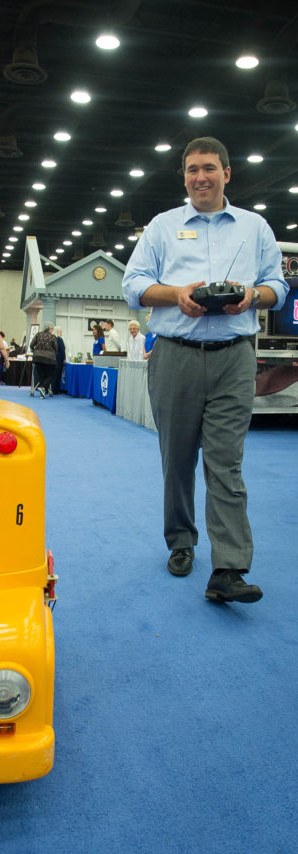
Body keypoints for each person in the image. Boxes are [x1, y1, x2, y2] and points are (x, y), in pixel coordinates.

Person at [122, 135, 289, 604]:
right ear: (184, 176)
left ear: (227, 173)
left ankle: (229, 568)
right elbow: (133, 285)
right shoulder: (162, 226)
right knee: (177, 460)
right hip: (174, 352)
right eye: (193, 169)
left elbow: (278, 285)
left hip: (235, 354)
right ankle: (181, 541)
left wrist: (252, 295)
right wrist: (175, 294)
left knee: (226, 463)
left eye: (210, 168)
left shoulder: (255, 227)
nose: (201, 177)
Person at [30, 322, 58, 398]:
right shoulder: (53, 337)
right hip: (49, 359)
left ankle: (42, 389)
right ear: (49, 329)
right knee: (51, 374)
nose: (52, 330)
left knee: (42, 375)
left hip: (37, 358)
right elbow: (56, 348)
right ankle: (43, 388)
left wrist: (35, 351)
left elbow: (31, 345)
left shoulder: (38, 335)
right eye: (52, 329)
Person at [51, 326, 66, 394]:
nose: (62, 332)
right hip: (58, 359)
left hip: (52, 358)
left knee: (53, 374)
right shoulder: (59, 339)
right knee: (58, 374)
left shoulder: (52, 339)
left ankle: (51, 389)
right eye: (61, 331)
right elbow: (62, 350)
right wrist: (64, 358)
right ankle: (55, 390)